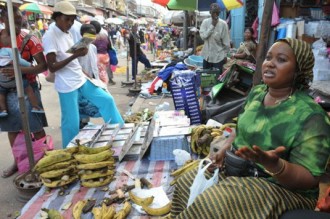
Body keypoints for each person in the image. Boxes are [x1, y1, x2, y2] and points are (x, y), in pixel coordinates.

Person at [170, 38, 330, 218]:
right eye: (269, 57)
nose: (270, 64)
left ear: (298, 70)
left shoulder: (311, 116)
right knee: (186, 183)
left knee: (213, 203)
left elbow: (310, 178)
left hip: (282, 188)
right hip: (241, 172)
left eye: (281, 60)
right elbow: (240, 126)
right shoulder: (258, 93)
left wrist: (277, 166)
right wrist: (227, 143)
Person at [42, 1, 124, 148]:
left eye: (72, 20)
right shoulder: (50, 36)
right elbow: (52, 67)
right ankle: (70, 153)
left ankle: (121, 132)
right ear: (57, 17)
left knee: (107, 100)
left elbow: (69, 55)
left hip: (80, 77)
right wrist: (75, 55)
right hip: (66, 84)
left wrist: (80, 53)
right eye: (67, 19)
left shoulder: (66, 32)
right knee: (71, 123)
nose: (70, 23)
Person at [0, 5, 48, 178]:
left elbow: (43, 66)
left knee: (36, 127)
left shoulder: (30, 40)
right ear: (3, 21)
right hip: (5, 90)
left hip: (29, 90)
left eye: (19, 21)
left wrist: (19, 70)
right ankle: (18, 161)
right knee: (12, 129)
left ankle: (45, 161)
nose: (17, 25)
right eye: (12, 22)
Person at [0, 47, 45, 116]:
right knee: (29, 90)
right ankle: (35, 106)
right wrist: (30, 65)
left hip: (3, 82)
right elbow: (19, 60)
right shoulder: (7, 50)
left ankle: (3, 110)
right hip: (14, 79)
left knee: (1, 94)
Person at [200, 3, 230, 71]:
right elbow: (203, 37)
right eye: (213, 12)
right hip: (206, 56)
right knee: (206, 77)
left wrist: (225, 55)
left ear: (219, 12)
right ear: (210, 12)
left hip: (218, 57)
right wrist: (212, 25)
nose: (215, 15)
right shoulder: (205, 22)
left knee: (216, 78)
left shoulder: (223, 24)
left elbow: (226, 42)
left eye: (216, 12)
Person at [90, 20, 116, 85]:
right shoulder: (104, 35)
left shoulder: (91, 37)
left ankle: (102, 87)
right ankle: (104, 85)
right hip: (105, 56)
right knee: (103, 72)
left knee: (98, 74)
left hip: (97, 57)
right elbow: (109, 46)